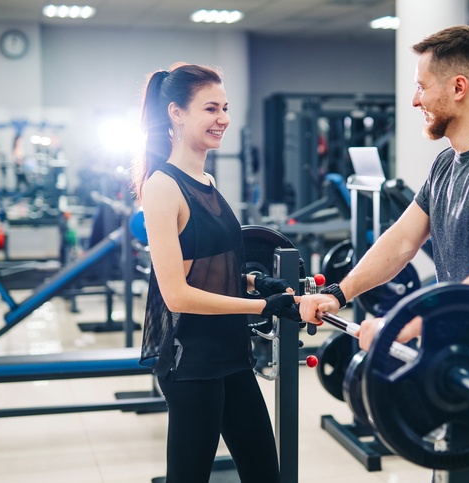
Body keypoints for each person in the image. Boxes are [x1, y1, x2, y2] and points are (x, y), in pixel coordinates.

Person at [299, 25, 469, 482]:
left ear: (458, 87)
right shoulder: (448, 163)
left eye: (422, 87)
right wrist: (340, 293)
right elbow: (401, 242)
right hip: (466, 365)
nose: (414, 101)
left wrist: (401, 325)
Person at [131, 62, 298, 483]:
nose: (223, 118)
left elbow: (208, 267)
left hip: (231, 354)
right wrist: (264, 304)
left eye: (224, 107)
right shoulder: (162, 186)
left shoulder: (204, 178)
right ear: (176, 113)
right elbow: (177, 294)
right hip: (193, 363)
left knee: (264, 473)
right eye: (210, 108)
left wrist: (256, 281)